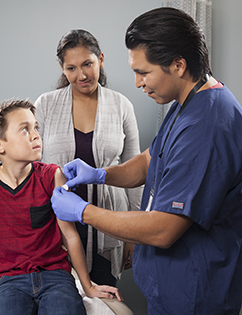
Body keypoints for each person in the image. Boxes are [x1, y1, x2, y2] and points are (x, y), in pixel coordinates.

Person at [51, 7, 242, 315]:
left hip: (195, 292)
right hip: (169, 286)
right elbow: (150, 160)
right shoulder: (187, 101)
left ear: (178, 65)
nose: (138, 83)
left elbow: (163, 229)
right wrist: (101, 174)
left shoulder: (207, 124)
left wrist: (83, 211)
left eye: (144, 72)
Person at [0, 99, 122, 315]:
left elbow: (70, 235)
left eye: (36, 127)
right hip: (10, 280)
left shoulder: (51, 175)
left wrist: (88, 286)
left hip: (56, 276)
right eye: (24, 129)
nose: (36, 135)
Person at [34, 29, 142, 286]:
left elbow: (136, 172)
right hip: (58, 224)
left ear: (101, 59)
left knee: (103, 298)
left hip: (110, 222)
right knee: (61, 299)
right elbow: (31, 168)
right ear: (62, 68)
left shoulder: (121, 105)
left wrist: (133, 234)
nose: (81, 75)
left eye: (87, 64)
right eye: (71, 68)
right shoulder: (45, 106)